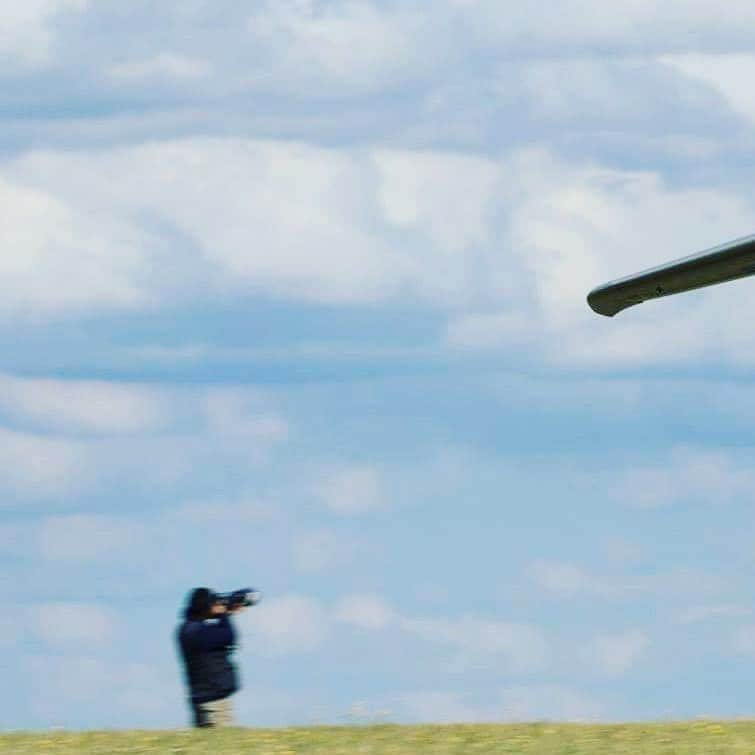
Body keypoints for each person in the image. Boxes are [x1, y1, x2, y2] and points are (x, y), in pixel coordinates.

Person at [176, 587, 244, 728]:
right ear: (205, 607)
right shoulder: (197, 632)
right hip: (214, 703)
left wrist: (221, 613)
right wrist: (224, 614)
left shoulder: (186, 629)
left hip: (201, 699)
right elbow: (228, 636)